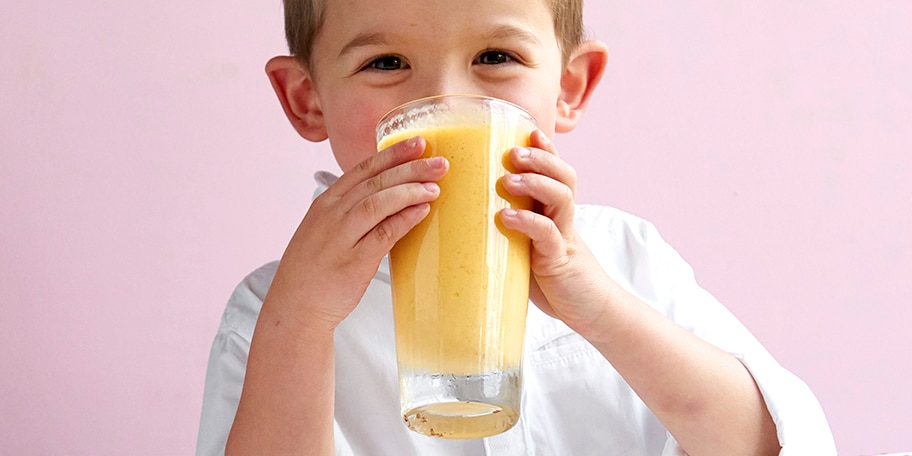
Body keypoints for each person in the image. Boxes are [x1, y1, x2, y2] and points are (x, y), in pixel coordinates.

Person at [197, 0, 837, 454]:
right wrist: (302, 322)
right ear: (307, 100)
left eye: (495, 56)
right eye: (387, 63)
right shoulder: (272, 311)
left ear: (568, 88)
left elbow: (775, 444)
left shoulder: (627, 260)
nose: (447, 101)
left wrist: (600, 309)